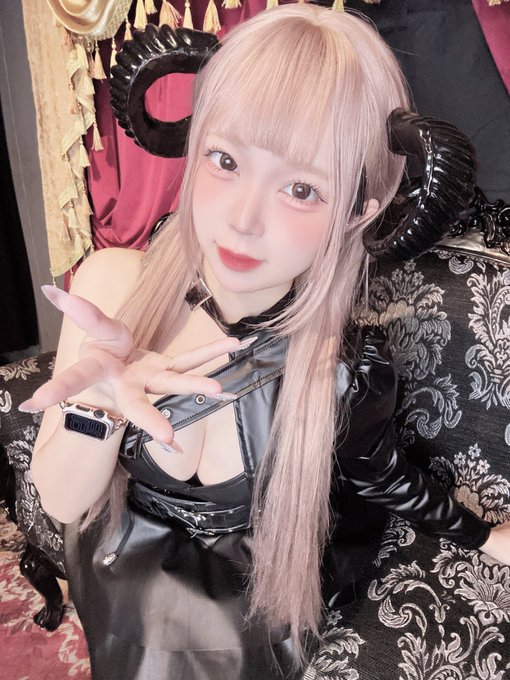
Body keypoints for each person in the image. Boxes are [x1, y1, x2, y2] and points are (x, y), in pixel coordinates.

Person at [22, 5, 510, 679]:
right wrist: (100, 404)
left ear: (357, 211)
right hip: (119, 589)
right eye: (225, 159)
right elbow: (61, 502)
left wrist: (483, 534)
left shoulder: (340, 371)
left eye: (302, 189)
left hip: (249, 622)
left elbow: (383, 473)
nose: (243, 219)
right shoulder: (111, 286)